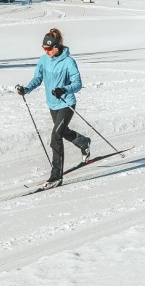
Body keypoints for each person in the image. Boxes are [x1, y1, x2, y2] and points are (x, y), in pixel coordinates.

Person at [17, 28, 93, 187]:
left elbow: (78, 84)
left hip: (67, 103)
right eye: (44, 48)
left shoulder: (69, 62)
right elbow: (37, 79)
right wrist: (26, 89)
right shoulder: (43, 60)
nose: (47, 51)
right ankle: (83, 142)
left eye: (50, 48)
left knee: (56, 136)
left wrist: (64, 89)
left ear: (58, 46)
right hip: (52, 104)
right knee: (63, 132)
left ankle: (56, 176)